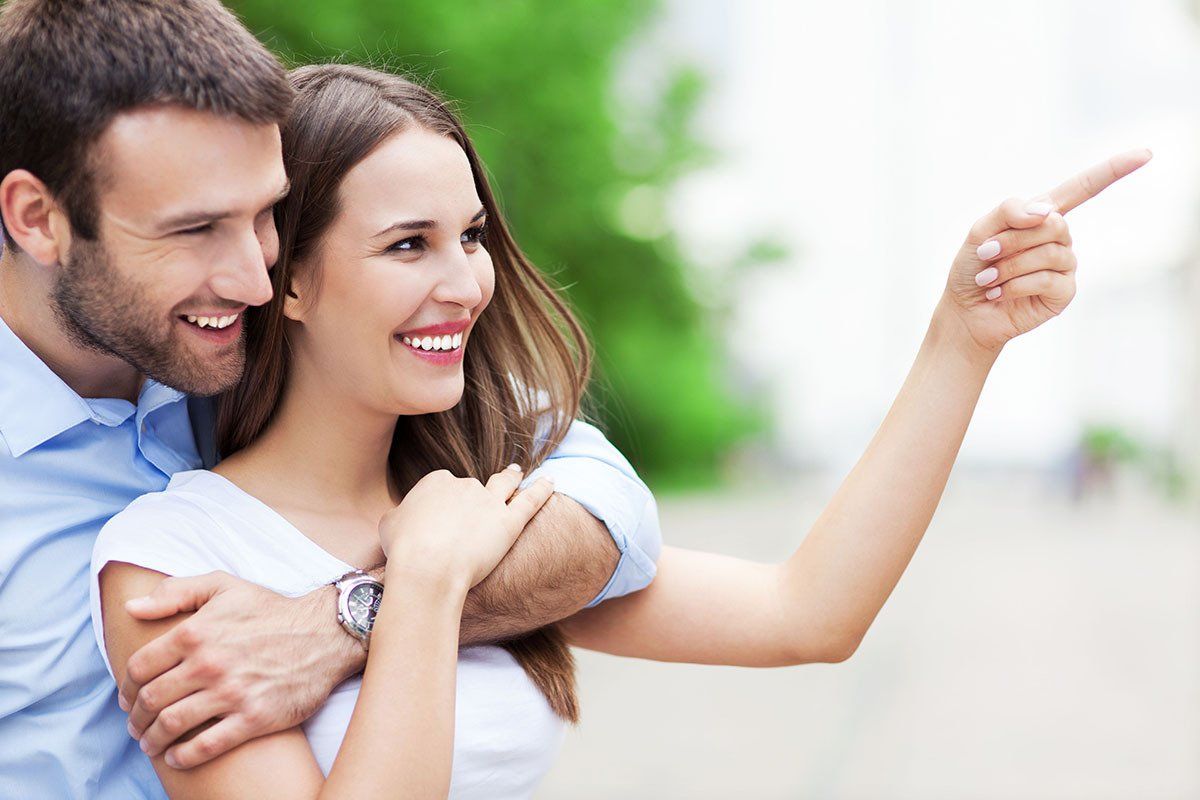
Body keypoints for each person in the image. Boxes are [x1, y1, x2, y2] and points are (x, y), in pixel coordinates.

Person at [92, 60, 1150, 798]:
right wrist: (416, 587)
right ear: (292, 283)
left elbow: (807, 612)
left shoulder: (488, 495)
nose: (465, 282)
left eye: (470, 236)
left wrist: (961, 339)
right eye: (407, 245)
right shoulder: (173, 563)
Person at [0, 2, 661, 798]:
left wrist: (342, 619)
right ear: (38, 219)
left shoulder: (231, 353)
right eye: (196, 229)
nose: (256, 281)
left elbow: (604, 502)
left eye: (264, 217)